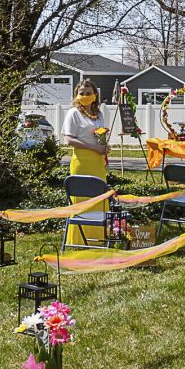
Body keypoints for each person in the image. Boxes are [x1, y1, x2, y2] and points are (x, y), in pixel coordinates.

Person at [62, 81, 109, 247]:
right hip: (82, 161)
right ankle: (78, 240)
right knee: (82, 199)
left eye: (89, 93)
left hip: (98, 162)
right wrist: (92, 147)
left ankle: (99, 239)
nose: (85, 96)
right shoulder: (73, 113)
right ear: (76, 95)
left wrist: (104, 147)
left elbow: (100, 134)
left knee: (99, 197)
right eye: (82, 93)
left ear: (95, 95)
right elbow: (68, 139)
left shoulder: (99, 114)